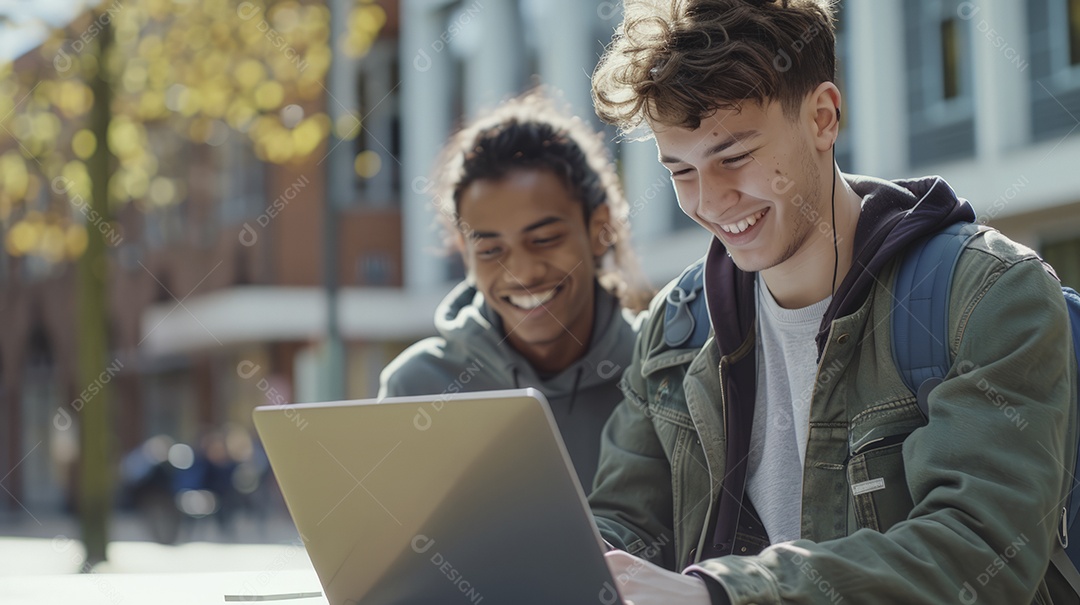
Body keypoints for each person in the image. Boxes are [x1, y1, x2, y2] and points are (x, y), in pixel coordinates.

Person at [586, 1, 1078, 603]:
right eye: (681, 171)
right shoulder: (676, 324)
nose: (710, 202)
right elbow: (626, 525)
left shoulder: (987, 294)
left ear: (822, 117)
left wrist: (722, 594)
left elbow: (979, 553)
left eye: (734, 157)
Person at [379, 92, 653, 488]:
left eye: (544, 239)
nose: (522, 272)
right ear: (464, 251)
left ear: (600, 229)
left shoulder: (661, 374)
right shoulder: (417, 387)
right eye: (491, 249)